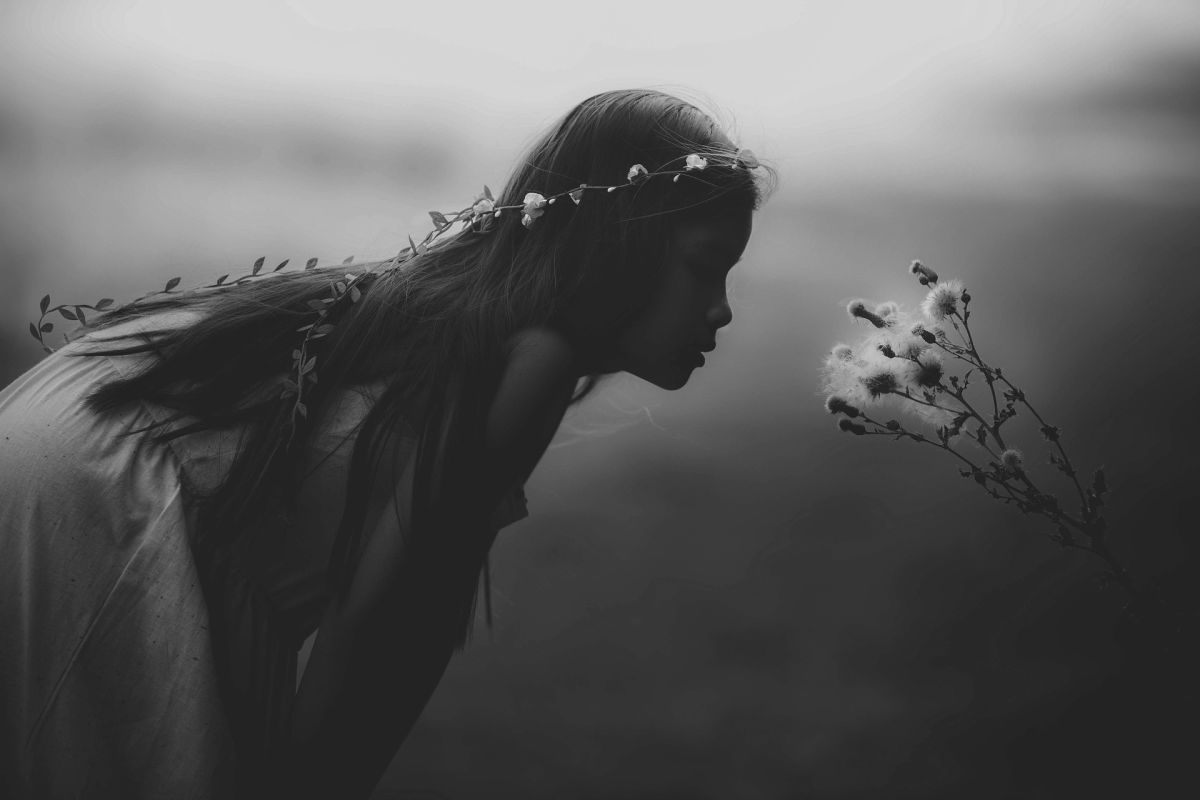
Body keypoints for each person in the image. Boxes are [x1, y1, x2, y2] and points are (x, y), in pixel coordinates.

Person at [0, 88, 773, 798]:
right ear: (617, 245)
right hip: (109, 502)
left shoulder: (463, 311)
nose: (721, 310)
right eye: (703, 269)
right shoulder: (534, 357)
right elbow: (383, 629)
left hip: (60, 439)